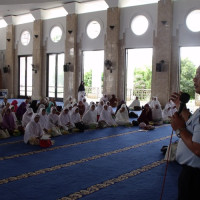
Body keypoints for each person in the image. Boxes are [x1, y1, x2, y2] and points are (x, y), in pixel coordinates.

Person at [170, 66, 200, 200]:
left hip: (195, 177)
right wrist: (181, 107)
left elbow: (198, 149)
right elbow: (194, 125)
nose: (194, 79)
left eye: (199, 75)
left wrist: (179, 128)